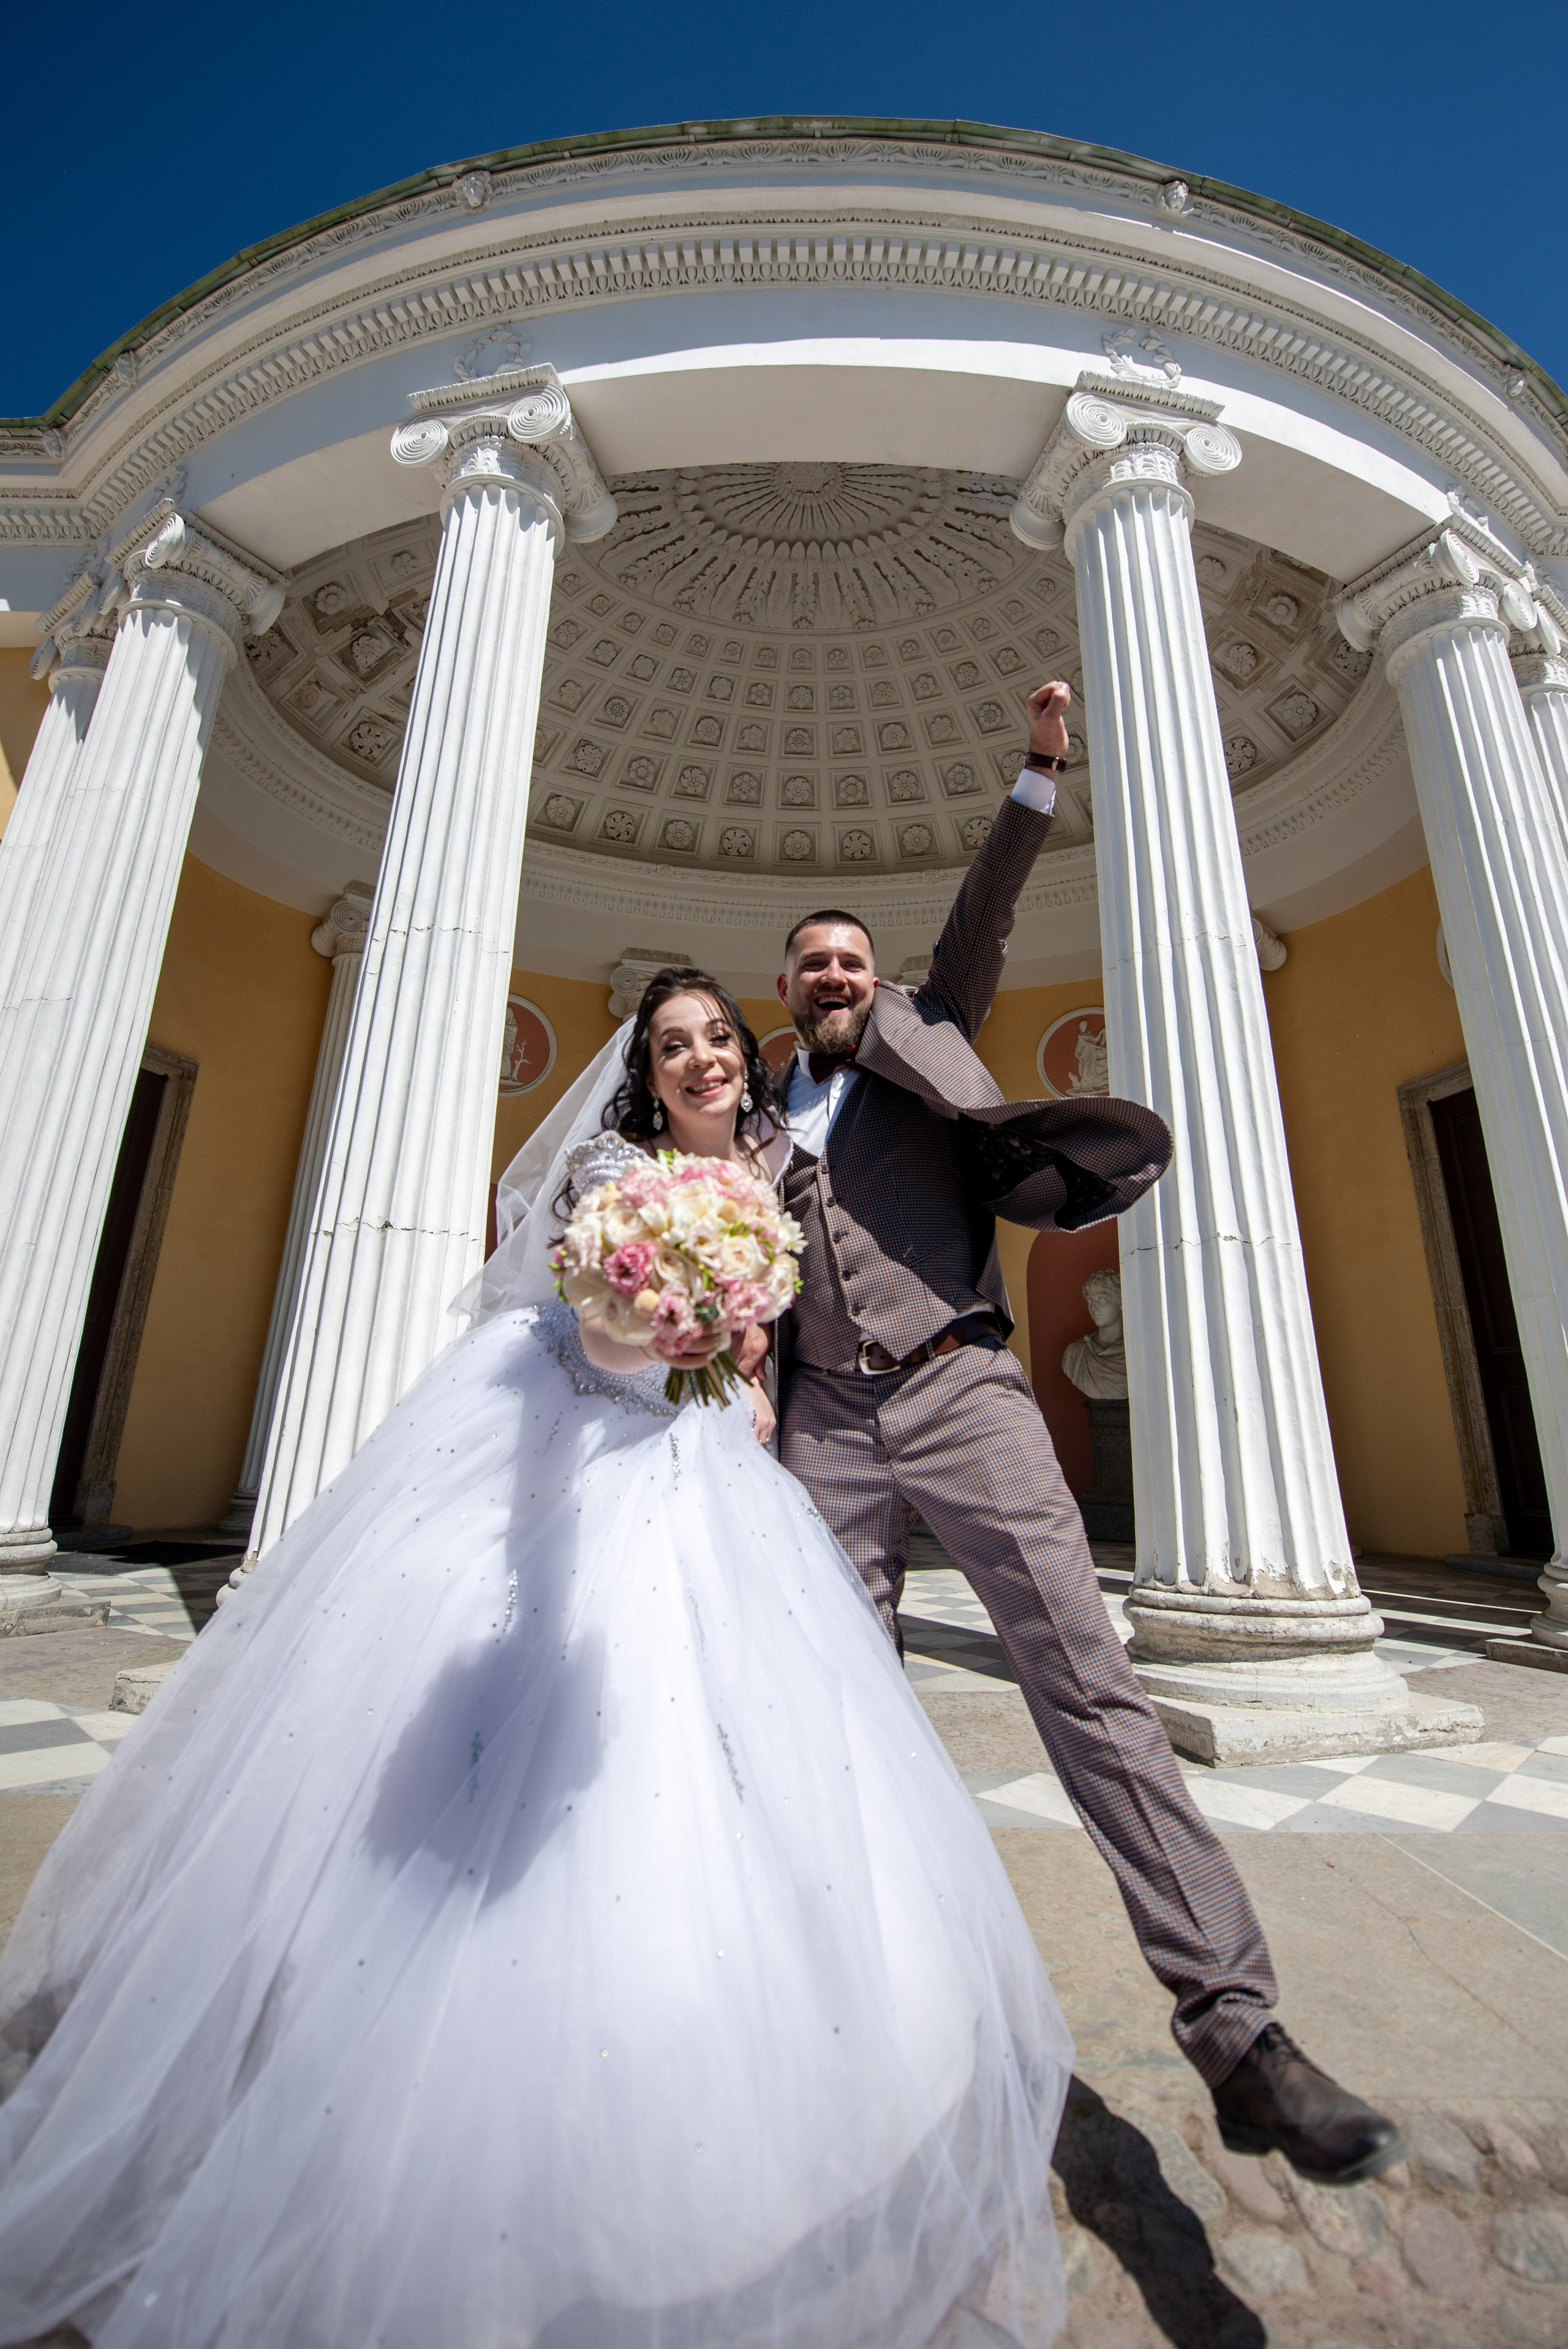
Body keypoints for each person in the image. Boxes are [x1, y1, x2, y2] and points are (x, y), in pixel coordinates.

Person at [0, 971, 1074, 2349]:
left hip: (707, 1479)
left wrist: (737, 1371)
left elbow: (768, 1340)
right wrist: (660, 1331)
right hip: (576, 1463)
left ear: (745, 1070)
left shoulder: (766, 1170)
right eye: (670, 1044)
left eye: (713, 1044)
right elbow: (594, 1321)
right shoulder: (614, 1173)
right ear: (645, 1069)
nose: (697, 1060)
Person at [772, 679, 1406, 2189]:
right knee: (816, 1718)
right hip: (821, 1431)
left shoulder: (926, 1024)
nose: (840, 974)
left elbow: (980, 914)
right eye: (816, 963)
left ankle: (1239, 2030)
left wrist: (1037, 773)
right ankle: (835, 2021)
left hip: (959, 1385)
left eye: (854, 957)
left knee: (1088, 1684)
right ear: (782, 986)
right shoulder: (746, 1109)